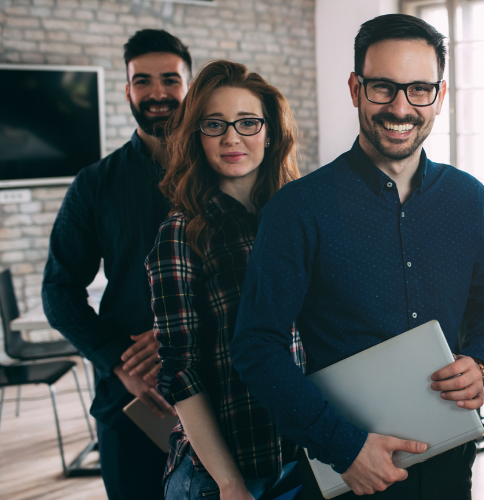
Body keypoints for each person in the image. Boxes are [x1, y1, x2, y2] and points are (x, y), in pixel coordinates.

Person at [229, 14, 484, 499]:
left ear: (440, 97)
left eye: (420, 89)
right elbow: (256, 346)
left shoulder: (469, 199)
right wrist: (344, 447)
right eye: (383, 87)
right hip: (348, 473)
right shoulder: (297, 210)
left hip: (450, 465)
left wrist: (481, 361)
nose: (401, 107)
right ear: (356, 88)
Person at [42, 29, 190, 500]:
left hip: (223, 383)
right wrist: (116, 362)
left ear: (190, 86)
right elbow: (58, 290)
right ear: (128, 91)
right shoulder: (94, 185)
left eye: (170, 79)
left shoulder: (226, 169)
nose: (158, 93)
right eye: (142, 81)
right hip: (135, 397)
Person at [146, 60, 305, 500]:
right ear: (197, 136)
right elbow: (181, 371)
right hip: (223, 477)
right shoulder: (181, 233)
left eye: (248, 123)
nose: (232, 138)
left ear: (270, 132)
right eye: (214, 124)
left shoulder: (297, 219)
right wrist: (229, 483)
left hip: (303, 458)